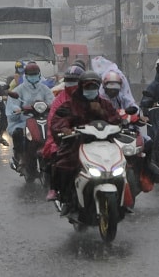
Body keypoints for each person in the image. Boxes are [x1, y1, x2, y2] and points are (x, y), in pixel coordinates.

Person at [50, 71, 121, 215]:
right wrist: (65, 129)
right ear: (81, 87)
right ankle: (66, 199)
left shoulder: (105, 104)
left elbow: (117, 120)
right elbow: (58, 120)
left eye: (94, 86)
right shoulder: (70, 104)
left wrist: (101, 112)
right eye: (88, 87)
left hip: (104, 144)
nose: (91, 90)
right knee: (64, 165)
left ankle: (124, 201)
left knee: (125, 166)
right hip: (77, 144)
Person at [41, 64, 84, 201]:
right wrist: (64, 130)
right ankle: (55, 189)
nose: (72, 85)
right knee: (58, 157)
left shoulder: (92, 97)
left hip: (89, 137)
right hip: (64, 138)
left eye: (75, 82)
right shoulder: (60, 100)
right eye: (69, 82)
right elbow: (53, 120)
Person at [6, 62, 54, 171]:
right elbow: (12, 104)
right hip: (23, 122)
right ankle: (21, 157)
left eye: (35, 74)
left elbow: (52, 102)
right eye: (30, 75)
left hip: (43, 120)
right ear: (26, 76)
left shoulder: (45, 89)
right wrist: (16, 110)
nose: (33, 77)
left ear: (39, 74)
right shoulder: (19, 90)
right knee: (19, 133)